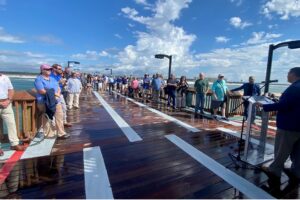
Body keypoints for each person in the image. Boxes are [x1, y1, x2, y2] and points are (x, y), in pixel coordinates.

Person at [259, 67, 300, 189]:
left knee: (282, 150)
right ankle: (296, 172)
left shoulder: (294, 88)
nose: (287, 75)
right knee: (298, 153)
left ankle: (274, 171)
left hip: (289, 126)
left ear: (294, 74)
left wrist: (264, 106)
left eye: (288, 73)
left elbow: (284, 105)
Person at [34, 64, 70, 139]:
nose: (49, 71)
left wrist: (57, 94)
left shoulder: (52, 79)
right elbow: (41, 91)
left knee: (59, 116)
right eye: (46, 69)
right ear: (42, 70)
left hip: (56, 101)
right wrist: (55, 94)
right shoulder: (38, 79)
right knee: (47, 117)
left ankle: (61, 133)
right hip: (45, 102)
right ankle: (48, 134)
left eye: (50, 69)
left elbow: (58, 88)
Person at [0, 73, 25, 156]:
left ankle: (14, 144)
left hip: (7, 104)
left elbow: (11, 90)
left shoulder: (5, 77)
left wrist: (8, 100)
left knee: (11, 124)